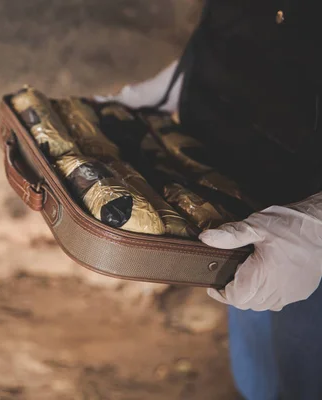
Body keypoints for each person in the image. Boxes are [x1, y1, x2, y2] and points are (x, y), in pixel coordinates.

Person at [97, 1, 322, 399]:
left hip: (308, 239)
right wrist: (197, 81)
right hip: (246, 199)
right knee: (261, 375)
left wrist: (316, 225)